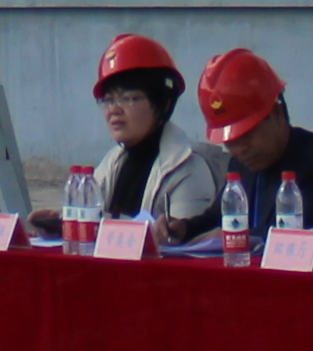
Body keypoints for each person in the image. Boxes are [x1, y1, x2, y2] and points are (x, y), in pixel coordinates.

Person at [190, 47, 313, 243]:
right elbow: (218, 216)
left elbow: (293, 238)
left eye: (246, 135)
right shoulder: (242, 164)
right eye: (230, 142)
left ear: (276, 113)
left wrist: (234, 237)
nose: (239, 150)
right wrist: (182, 229)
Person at [84, 33, 222, 243]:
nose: (114, 110)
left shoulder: (188, 168)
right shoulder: (113, 162)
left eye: (129, 98)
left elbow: (183, 250)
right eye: (108, 99)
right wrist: (60, 226)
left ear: (164, 104)